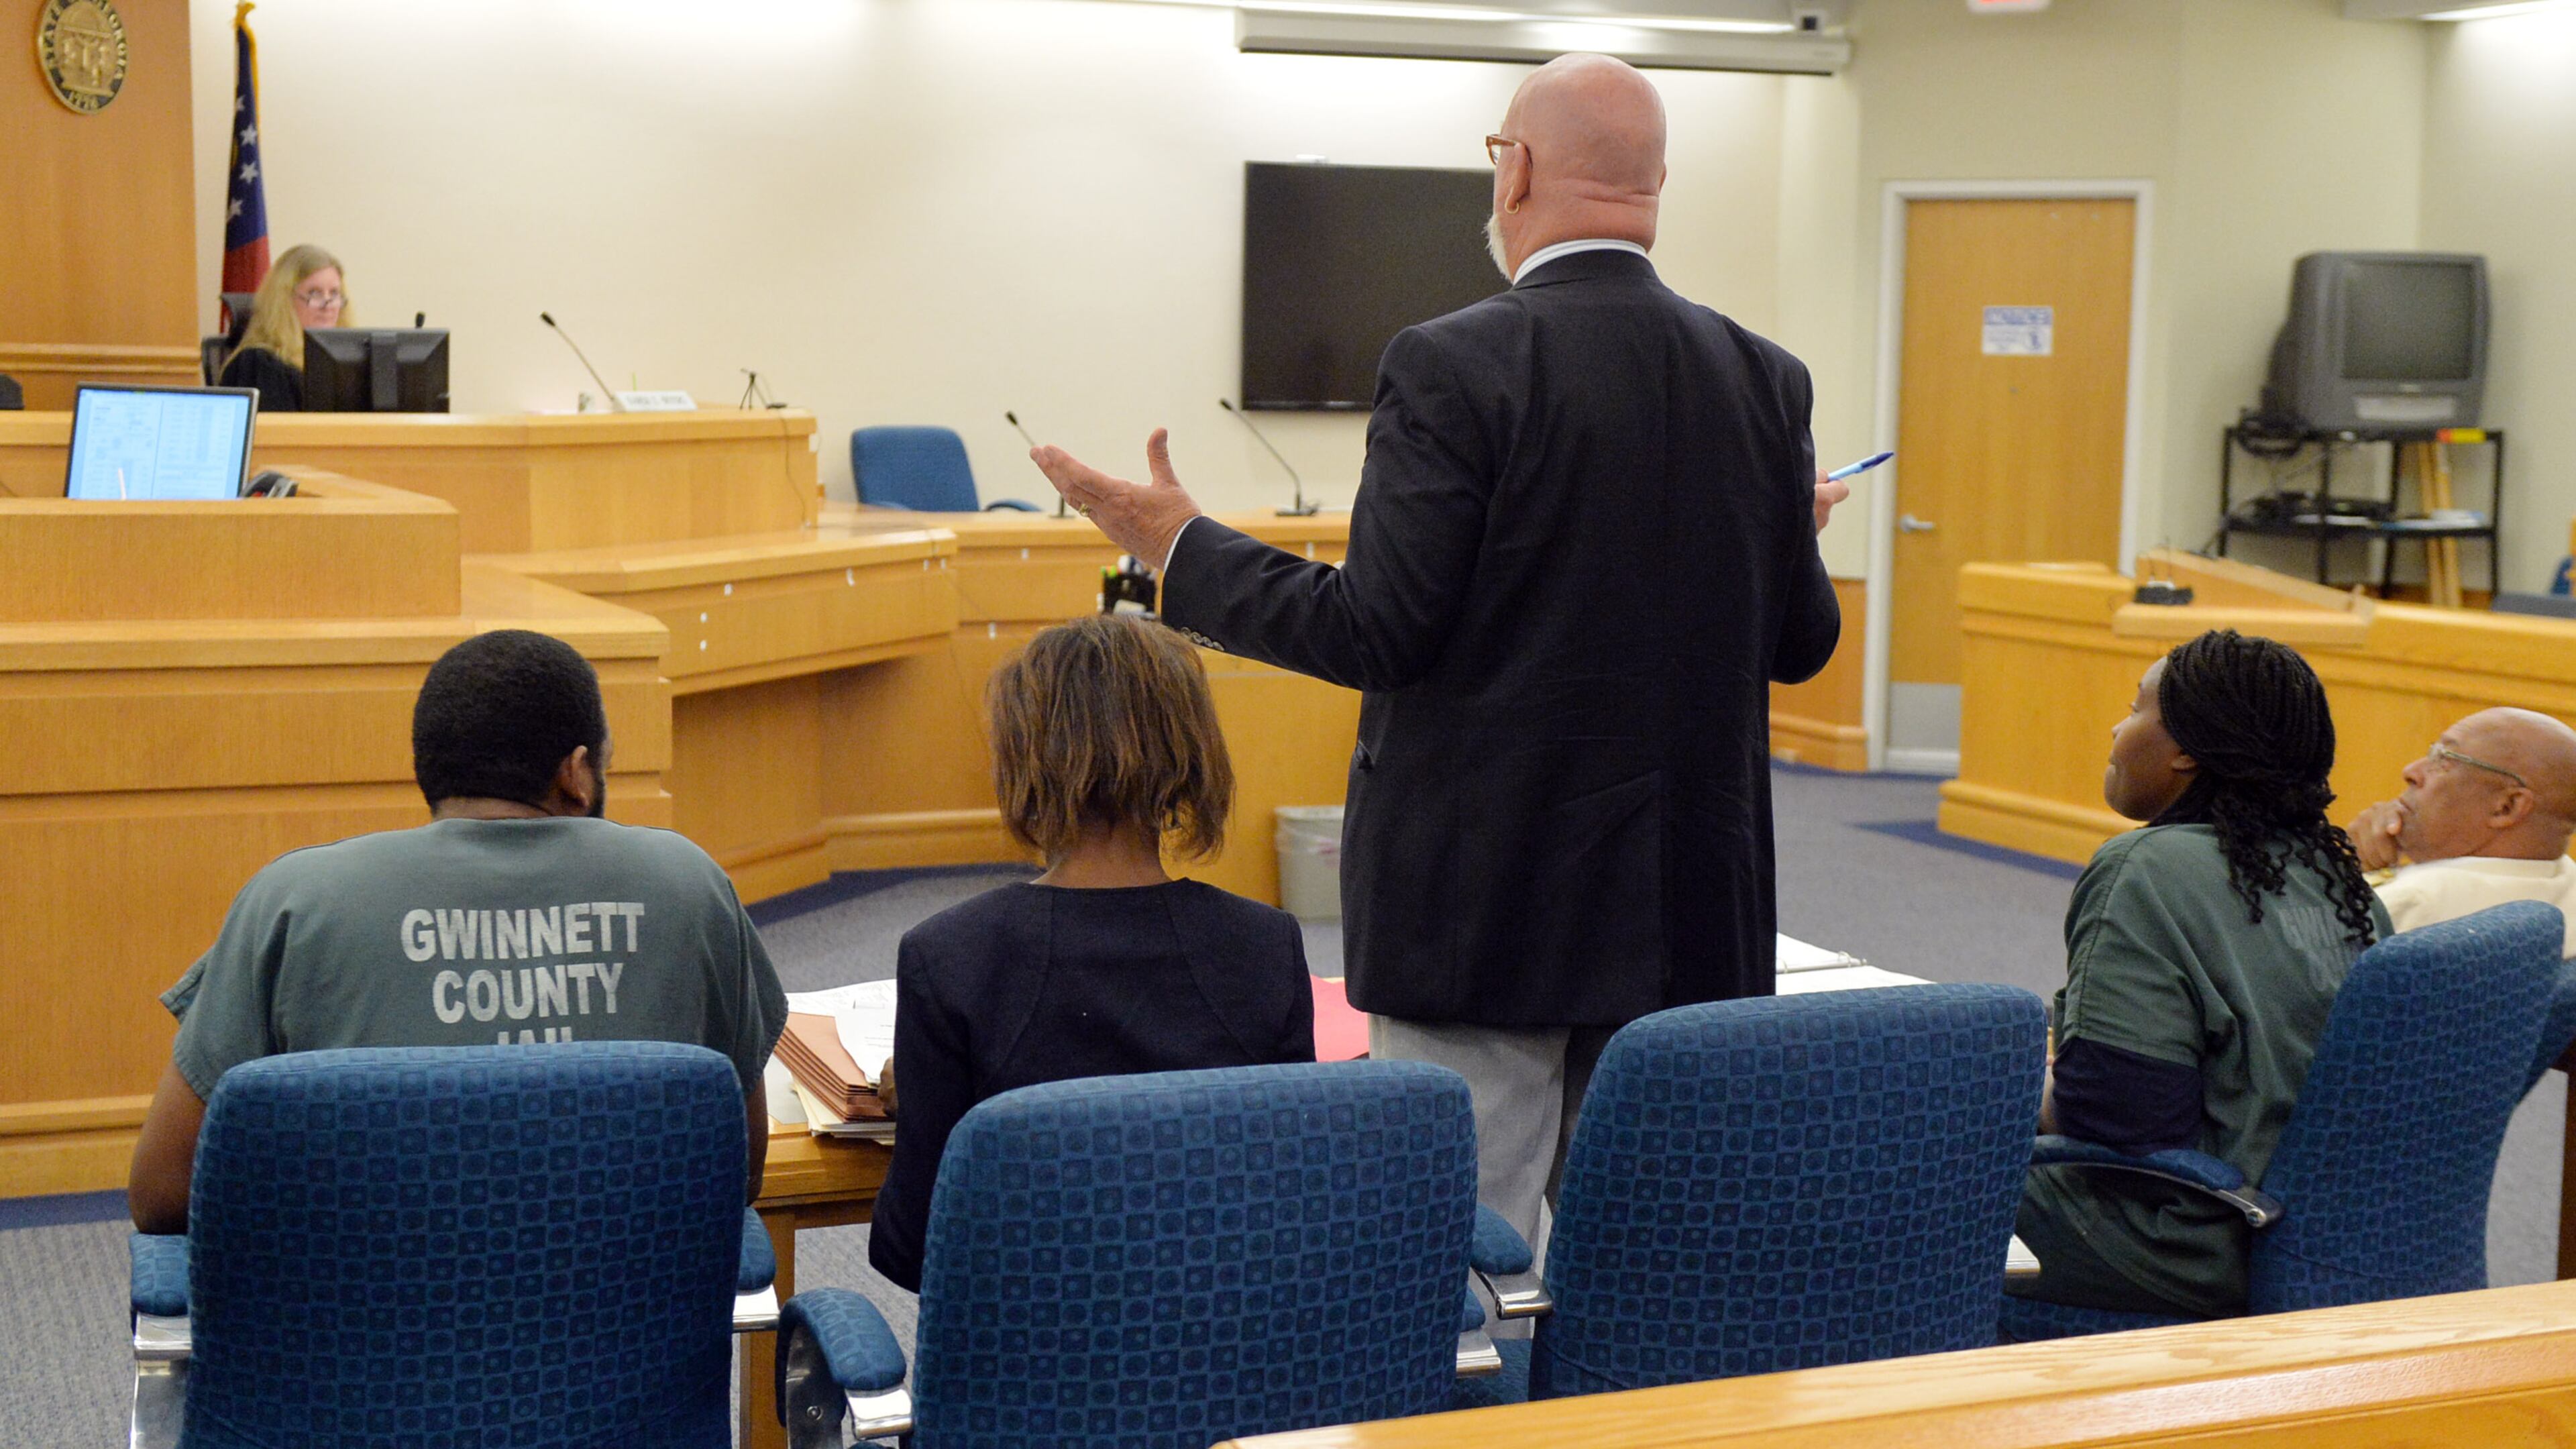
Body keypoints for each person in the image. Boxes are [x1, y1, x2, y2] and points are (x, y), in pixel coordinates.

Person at [1026, 53, 1843, 1253]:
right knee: (1657, 1277)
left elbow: (1378, 628)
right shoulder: (1765, 378)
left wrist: (1179, 547)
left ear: (1516, 172)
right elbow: (1803, 644)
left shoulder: (1455, 363)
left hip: (1489, 918)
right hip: (1691, 929)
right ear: (1656, 188)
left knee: (1465, 1281)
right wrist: (1774, 536)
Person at [127, 629, 788, 1233]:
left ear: (430, 767)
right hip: (630, 1322)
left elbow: (163, 1190)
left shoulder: (293, 901)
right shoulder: (691, 886)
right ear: (576, 773)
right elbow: (738, 1169)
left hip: (365, 1323)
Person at [867, 615, 1316, 1293]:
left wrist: (935, 1102)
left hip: (1029, 1355)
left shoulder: (951, 957)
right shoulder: (1264, 946)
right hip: (1227, 1343)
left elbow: (912, 1250)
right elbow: (1294, 1204)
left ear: (1022, 760)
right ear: (1192, 754)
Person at [2011, 631, 2389, 1320]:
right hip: (2317, 1232)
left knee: (1887, 1180)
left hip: (2179, 1235)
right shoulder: (2342, 883)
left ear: (2185, 748)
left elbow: (2118, 1120)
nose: (2118, 729)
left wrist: (2001, 1087)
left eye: (2135, 709)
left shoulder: (2144, 868)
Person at [2345, 708, 2576, 956]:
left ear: (2506, 807)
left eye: (2444, 759)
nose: (2411, 772)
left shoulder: (2406, 905)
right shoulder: (2565, 884)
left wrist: (2345, 871)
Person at [217, 243, 349, 411]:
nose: (328, 305)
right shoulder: (260, 364)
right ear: (284, 301)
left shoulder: (340, 366)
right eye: (315, 293)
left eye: (334, 294)